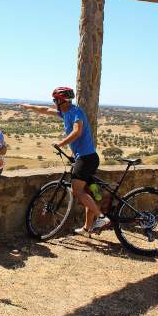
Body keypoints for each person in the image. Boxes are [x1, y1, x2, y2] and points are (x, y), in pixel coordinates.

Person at [21, 87, 109, 235]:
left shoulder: (76, 112)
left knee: (77, 191)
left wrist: (61, 143)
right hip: (86, 157)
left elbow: (77, 131)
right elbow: (45, 110)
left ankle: (101, 217)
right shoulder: (65, 112)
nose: (54, 103)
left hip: (86, 158)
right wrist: (29, 107)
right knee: (88, 193)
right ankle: (88, 228)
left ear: (61, 101)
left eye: (55, 100)